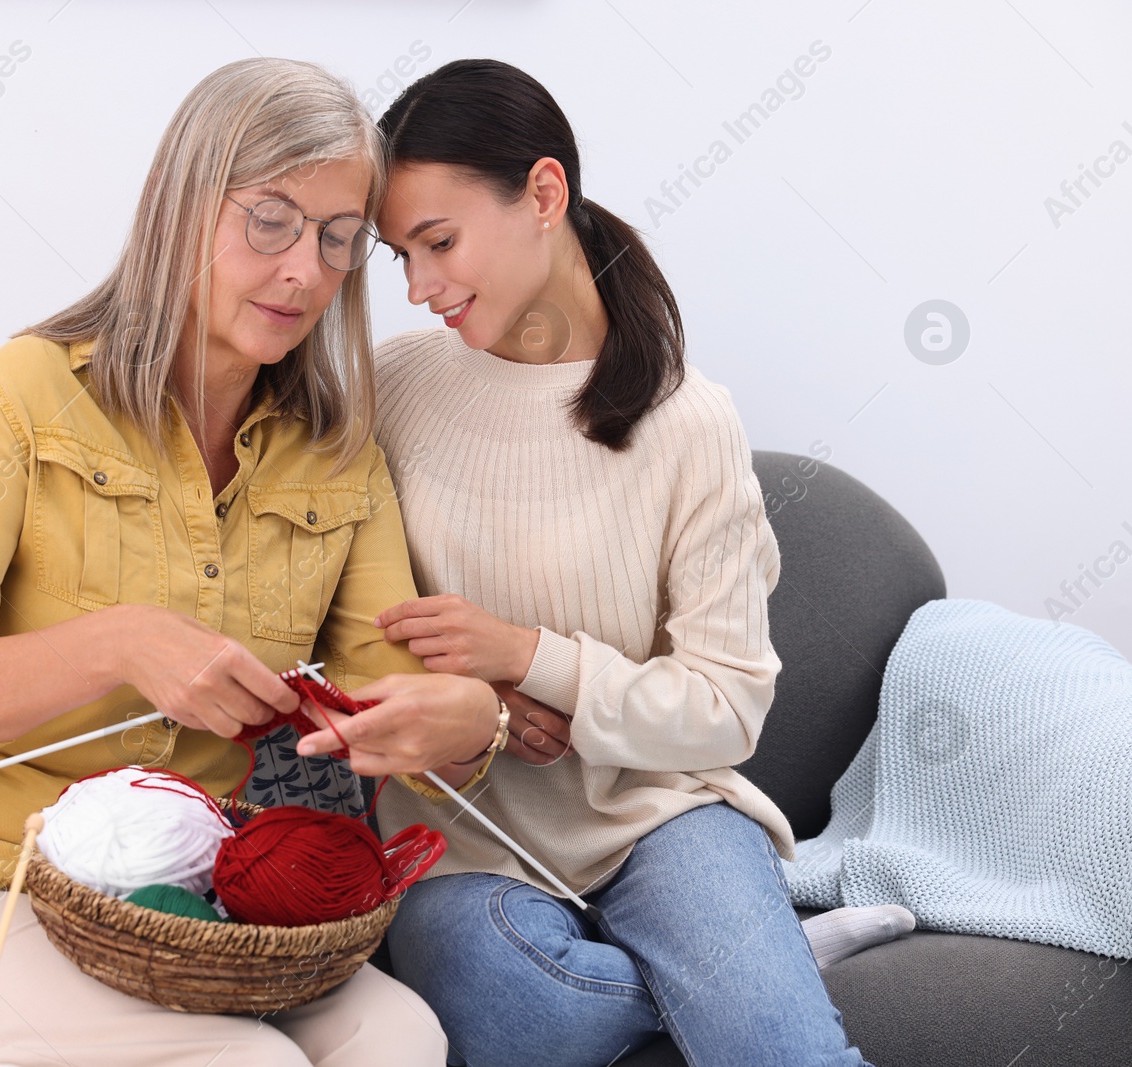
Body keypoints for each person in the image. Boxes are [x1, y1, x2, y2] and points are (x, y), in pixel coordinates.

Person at [0, 57, 498, 1067]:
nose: (305, 269)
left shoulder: (338, 453)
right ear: (182, 204)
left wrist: (464, 726)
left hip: (168, 915)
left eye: (339, 239)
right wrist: (119, 642)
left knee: (400, 1037)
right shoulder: (32, 390)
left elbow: (392, 702)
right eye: (270, 220)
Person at [293, 59, 907, 1066]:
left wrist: (530, 655)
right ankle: (748, 966)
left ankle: (751, 975)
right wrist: (484, 699)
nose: (417, 286)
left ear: (543, 194)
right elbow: (322, 597)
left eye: (438, 243)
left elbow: (725, 708)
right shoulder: (394, 386)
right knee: (524, 1014)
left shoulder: (687, 424)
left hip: (657, 813)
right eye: (399, 255)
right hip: (459, 835)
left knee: (784, 1050)